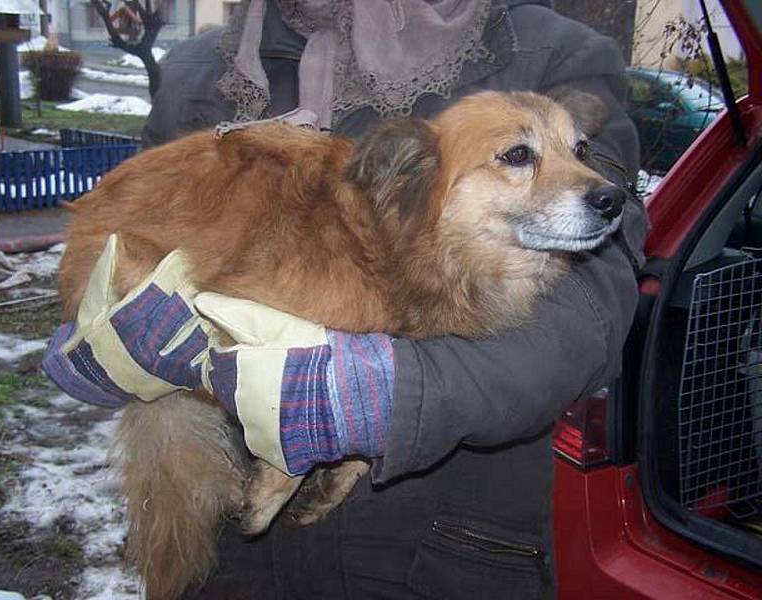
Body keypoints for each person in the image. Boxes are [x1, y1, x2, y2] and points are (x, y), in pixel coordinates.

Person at [56, 1, 649, 598]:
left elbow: (593, 306)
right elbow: (142, 222)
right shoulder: (198, 70)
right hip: (235, 554)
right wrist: (100, 317)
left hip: (437, 546)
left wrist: (394, 395)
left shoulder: (551, 54)